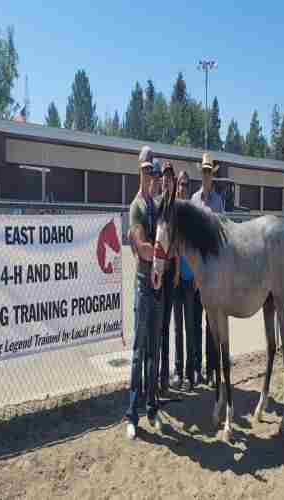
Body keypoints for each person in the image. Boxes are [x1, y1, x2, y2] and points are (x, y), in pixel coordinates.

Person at [125, 145, 163, 440]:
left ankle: (151, 407)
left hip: (157, 284)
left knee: (153, 352)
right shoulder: (137, 206)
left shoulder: (156, 205)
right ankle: (132, 413)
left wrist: (158, 251)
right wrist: (161, 251)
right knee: (139, 352)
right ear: (139, 170)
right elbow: (144, 248)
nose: (150, 174)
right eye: (146, 169)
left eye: (153, 170)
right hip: (143, 284)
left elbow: (159, 246)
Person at [190, 152, 224, 388]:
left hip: (214, 271)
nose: (206, 175)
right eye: (203, 171)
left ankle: (213, 370)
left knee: (214, 321)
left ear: (213, 174)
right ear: (200, 174)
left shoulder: (218, 202)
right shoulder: (193, 200)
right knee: (198, 323)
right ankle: (199, 368)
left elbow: (223, 236)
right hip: (198, 271)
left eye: (209, 171)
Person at [172, 171, 197, 391]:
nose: (182, 188)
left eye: (186, 185)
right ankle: (178, 371)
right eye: (180, 184)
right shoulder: (173, 212)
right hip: (176, 280)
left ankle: (190, 374)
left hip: (189, 279)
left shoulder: (192, 214)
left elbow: (197, 249)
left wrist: (197, 275)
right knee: (178, 329)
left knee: (190, 327)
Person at [157, 160, 176, 394]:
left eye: (169, 177)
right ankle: (157, 377)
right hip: (158, 270)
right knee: (158, 326)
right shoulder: (156, 204)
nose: (167, 180)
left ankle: (164, 377)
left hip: (171, 270)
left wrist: (176, 270)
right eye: (164, 176)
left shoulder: (176, 208)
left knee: (167, 325)